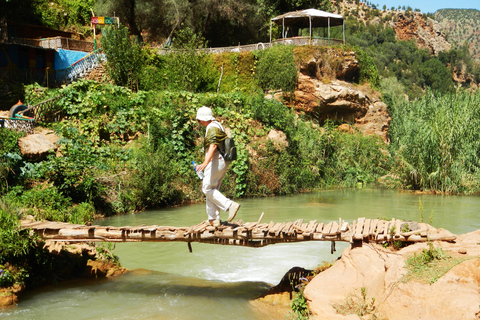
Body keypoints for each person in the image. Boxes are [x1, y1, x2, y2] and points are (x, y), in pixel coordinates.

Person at [194, 106, 240, 227]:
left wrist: (204, 163)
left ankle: (230, 205)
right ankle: (213, 219)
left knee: (207, 188)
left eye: (199, 120)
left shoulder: (212, 127)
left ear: (204, 118)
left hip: (217, 160)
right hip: (221, 160)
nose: (199, 122)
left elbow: (213, 146)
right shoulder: (217, 125)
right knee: (212, 188)